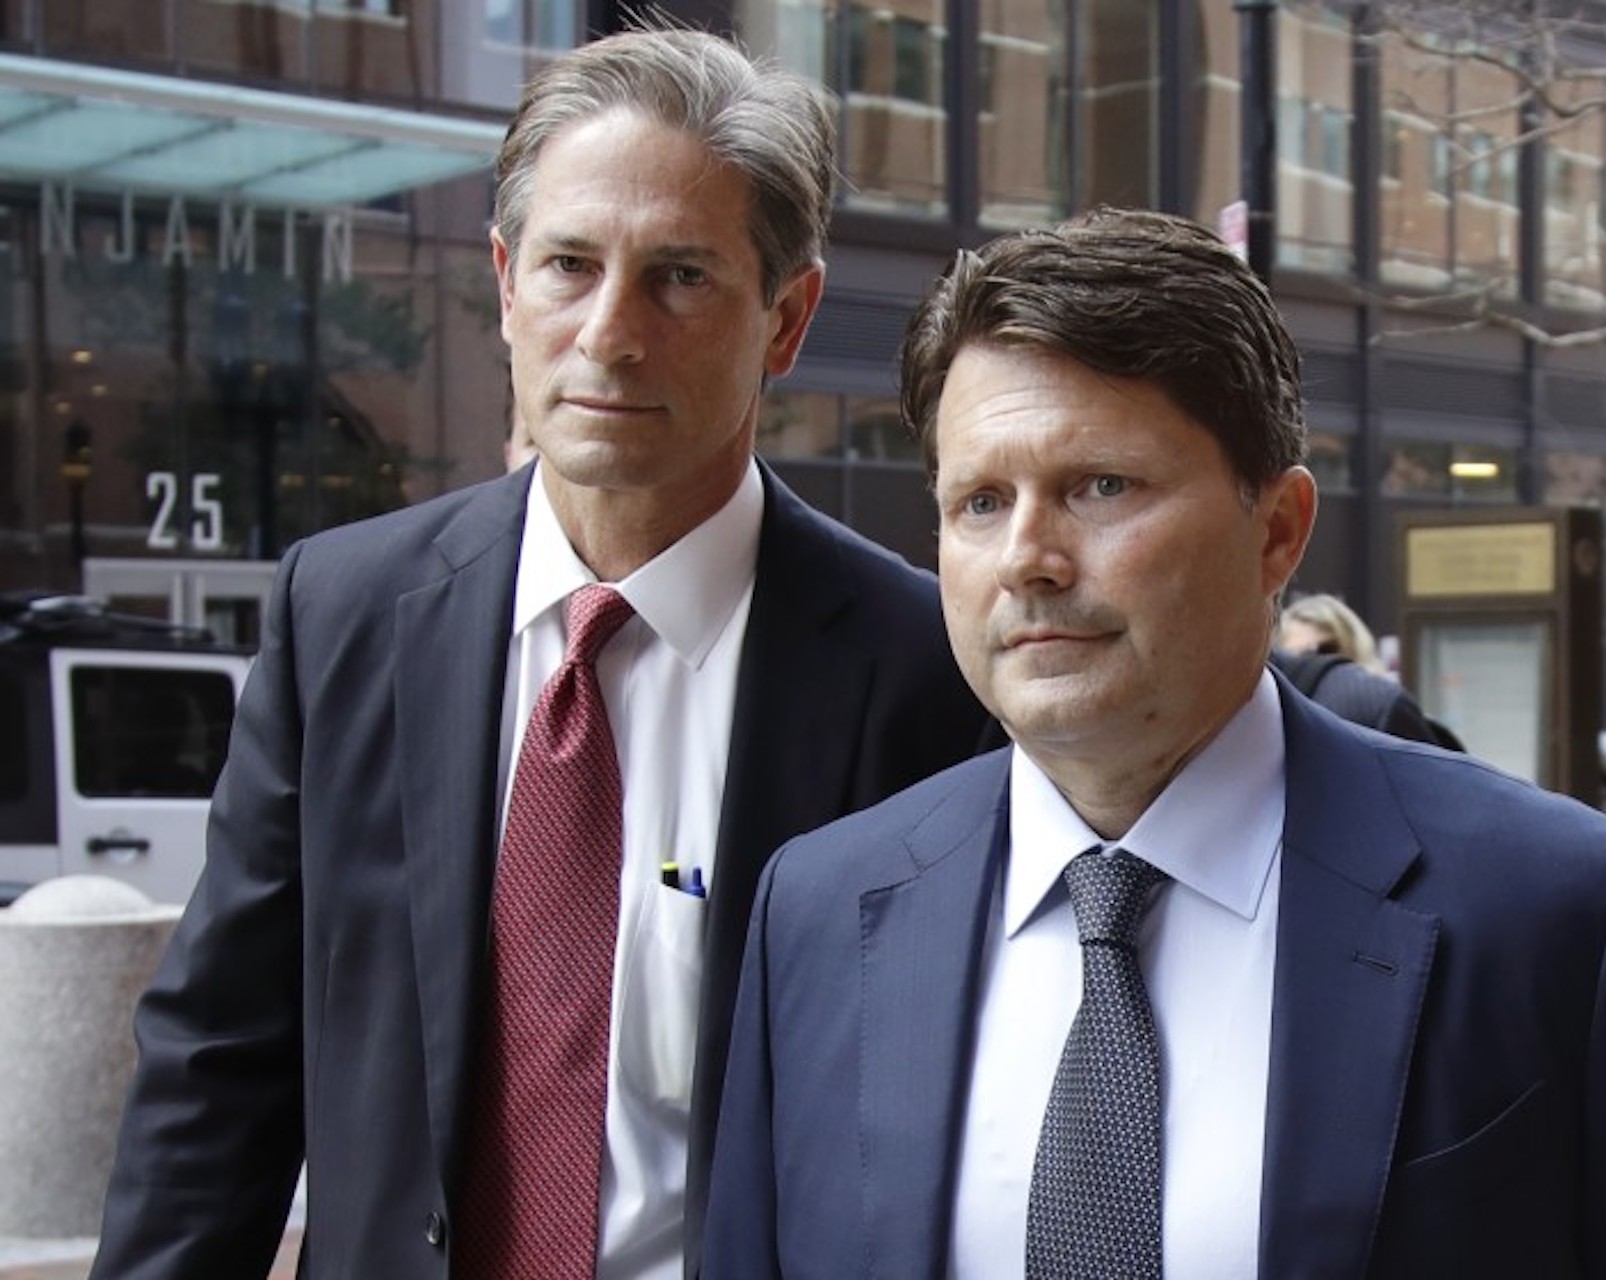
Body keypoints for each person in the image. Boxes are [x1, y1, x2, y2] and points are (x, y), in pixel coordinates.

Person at [704, 208, 1606, 1278]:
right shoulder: (818, 909)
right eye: (981, 500)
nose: (1027, 556)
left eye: (1100, 485)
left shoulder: (1558, 912)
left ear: (1276, 530)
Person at [91, 27, 984, 1280]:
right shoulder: (341, 612)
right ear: (506, 281)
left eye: (680, 277)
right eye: (571, 264)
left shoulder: (921, 670)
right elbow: (218, 1069)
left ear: (787, 318)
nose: (611, 333)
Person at [1272, 592, 1443, 745]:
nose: (1315, 662)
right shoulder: (1275, 723)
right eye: (1300, 656)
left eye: (1327, 650)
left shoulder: (1385, 707)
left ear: (1356, 647)